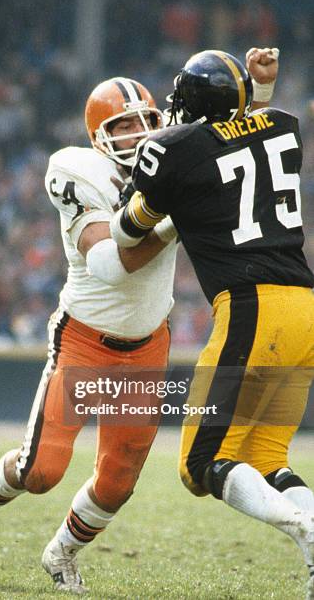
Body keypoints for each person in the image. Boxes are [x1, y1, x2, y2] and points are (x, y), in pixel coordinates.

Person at [0, 77, 179, 594]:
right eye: (123, 125)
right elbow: (111, 266)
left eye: (147, 121)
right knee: (41, 470)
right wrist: (174, 221)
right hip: (85, 340)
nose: (139, 134)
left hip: (149, 342)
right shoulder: (78, 170)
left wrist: (260, 92)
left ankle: (62, 552)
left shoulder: (176, 157)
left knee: (117, 484)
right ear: (99, 135)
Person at [110, 48, 314, 599]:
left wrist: (158, 201)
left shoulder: (172, 149)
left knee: (200, 465)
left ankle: (308, 531)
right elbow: (247, 136)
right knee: (268, 458)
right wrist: (262, 91)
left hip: (254, 308)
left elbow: (128, 233)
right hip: (305, 310)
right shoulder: (285, 125)